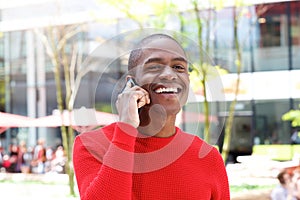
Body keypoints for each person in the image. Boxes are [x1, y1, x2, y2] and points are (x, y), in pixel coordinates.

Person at [73, 33, 230, 199]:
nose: (170, 74)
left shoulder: (208, 157)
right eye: (154, 67)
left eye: (179, 67)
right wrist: (125, 128)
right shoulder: (92, 145)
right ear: (131, 83)